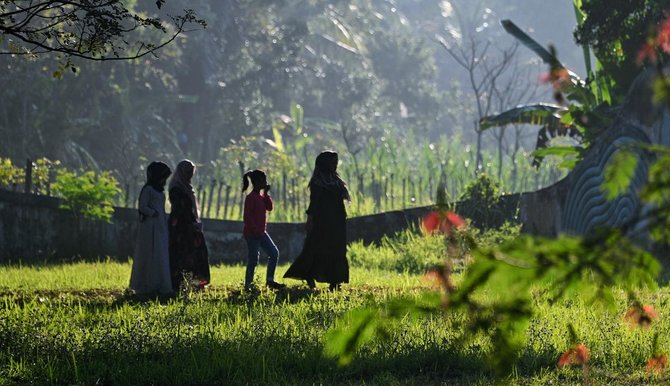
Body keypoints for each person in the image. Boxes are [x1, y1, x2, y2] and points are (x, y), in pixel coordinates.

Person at [284, 151, 350, 291]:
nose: (335, 165)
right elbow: (314, 204)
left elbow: (342, 198)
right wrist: (310, 221)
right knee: (315, 248)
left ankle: (335, 282)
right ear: (325, 164)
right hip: (322, 222)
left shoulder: (335, 180)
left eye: (336, 162)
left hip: (337, 221)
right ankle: (309, 275)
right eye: (332, 163)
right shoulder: (318, 183)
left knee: (337, 250)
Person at [129, 161, 173, 295]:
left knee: (160, 254)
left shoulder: (159, 191)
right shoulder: (148, 190)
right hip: (149, 226)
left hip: (160, 226)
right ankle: (146, 285)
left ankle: (160, 284)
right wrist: (153, 213)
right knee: (149, 253)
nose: (164, 180)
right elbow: (142, 206)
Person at [168, 159, 211, 291]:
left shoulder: (186, 187)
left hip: (190, 225)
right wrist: (190, 223)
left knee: (197, 254)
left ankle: (195, 283)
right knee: (182, 254)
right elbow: (180, 209)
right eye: (188, 172)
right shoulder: (176, 188)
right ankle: (180, 283)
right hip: (181, 227)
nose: (190, 175)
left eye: (191, 172)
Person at [242, 169, 286, 290]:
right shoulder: (251, 198)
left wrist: (266, 194)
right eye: (264, 180)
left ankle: (270, 280)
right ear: (257, 182)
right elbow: (247, 217)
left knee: (274, 253)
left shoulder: (261, 197)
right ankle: (248, 284)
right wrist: (255, 230)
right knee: (253, 259)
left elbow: (270, 207)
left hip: (261, 233)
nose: (266, 183)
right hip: (252, 233)